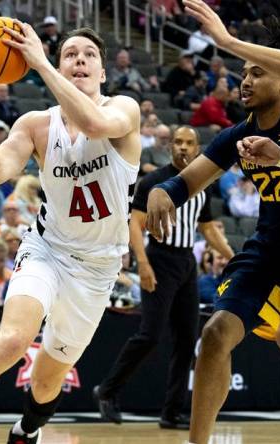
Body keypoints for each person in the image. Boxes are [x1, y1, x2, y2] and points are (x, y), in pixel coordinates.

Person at [0, 25, 141, 444]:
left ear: (103, 72)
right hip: (46, 250)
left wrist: (38, 63)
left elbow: (92, 122)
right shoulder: (36, 124)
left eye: (89, 54)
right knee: (11, 340)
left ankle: (26, 429)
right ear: (58, 64)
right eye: (70, 54)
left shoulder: (124, 110)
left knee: (49, 378)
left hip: (97, 268)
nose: (79, 60)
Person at [143, 11, 280, 443]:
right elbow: (188, 180)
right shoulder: (237, 134)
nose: (247, 81)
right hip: (270, 253)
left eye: (259, 72)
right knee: (216, 333)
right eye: (243, 74)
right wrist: (162, 191)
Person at [93, 126, 234, 429]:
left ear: (198, 149)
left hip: (186, 264)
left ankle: (172, 412)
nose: (184, 147)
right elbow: (135, 223)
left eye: (190, 143)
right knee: (150, 334)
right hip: (159, 258)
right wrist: (143, 264)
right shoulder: (155, 181)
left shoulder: (203, 184)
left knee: (187, 341)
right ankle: (107, 390)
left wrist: (234, 259)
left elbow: (208, 228)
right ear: (170, 147)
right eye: (179, 142)